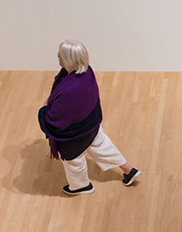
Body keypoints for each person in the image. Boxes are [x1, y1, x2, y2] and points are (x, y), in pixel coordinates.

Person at [38, 40, 141, 195]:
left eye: (61, 55)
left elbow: (55, 120)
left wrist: (44, 109)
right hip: (91, 124)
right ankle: (128, 170)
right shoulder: (86, 71)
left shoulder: (69, 90)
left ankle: (81, 186)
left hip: (74, 135)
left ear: (68, 60)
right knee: (102, 146)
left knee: (74, 162)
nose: (58, 57)